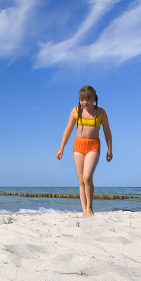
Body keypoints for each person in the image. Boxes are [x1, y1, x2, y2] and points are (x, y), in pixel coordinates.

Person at [56, 85, 113, 216]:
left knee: (87, 176)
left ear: (94, 99)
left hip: (93, 145)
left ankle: (89, 208)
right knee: (81, 179)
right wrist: (61, 148)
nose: (84, 102)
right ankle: (84, 210)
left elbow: (107, 132)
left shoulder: (101, 113)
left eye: (88, 99)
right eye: (82, 99)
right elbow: (68, 130)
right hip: (78, 145)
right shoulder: (76, 111)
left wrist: (109, 150)